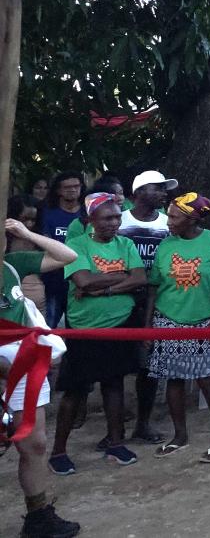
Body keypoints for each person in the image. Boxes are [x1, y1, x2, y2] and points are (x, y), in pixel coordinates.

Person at [49, 193, 146, 474]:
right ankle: (58, 451)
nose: (114, 222)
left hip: (121, 323)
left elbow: (140, 278)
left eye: (117, 217)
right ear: (91, 219)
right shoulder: (75, 245)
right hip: (86, 328)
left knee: (114, 383)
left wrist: (102, 287)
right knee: (76, 389)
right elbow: (82, 280)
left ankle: (115, 444)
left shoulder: (125, 243)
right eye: (108, 217)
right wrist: (121, 276)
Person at [2, 211, 81, 536]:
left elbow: (67, 255)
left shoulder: (10, 265)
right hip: (8, 365)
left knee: (34, 443)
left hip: (24, 361)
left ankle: (38, 516)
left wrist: (26, 233)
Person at [143, 193, 210, 462]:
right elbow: (153, 287)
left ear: (192, 218)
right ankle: (180, 435)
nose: (168, 221)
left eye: (174, 216)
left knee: (206, 378)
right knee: (173, 378)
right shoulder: (165, 245)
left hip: (202, 320)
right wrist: (149, 324)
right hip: (168, 317)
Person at [120, 169, 178, 445]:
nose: (163, 193)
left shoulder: (168, 224)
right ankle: (115, 424)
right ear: (139, 192)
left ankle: (143, 422)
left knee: (150, 365)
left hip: (155, 300)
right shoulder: (118, 221)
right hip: (119, 299)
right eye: (157, 188)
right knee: (116, 363)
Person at [37, 171, 87, 328]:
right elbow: (45, 244)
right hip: (54, 281)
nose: (72, 190)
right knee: (48, 329)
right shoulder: (47, 213)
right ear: (58, 190)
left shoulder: (87, 214)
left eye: (76, 186)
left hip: (82, 281)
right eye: (67, 187)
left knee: (78, 331)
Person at [7, 197, 47, 314]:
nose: (29, 224)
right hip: (9, 298)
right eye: (24, 219)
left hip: (37, 300)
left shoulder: (40, 239)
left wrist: (29, 235)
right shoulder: (4, 240)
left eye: (33, 220)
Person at [64, 174, 127, 241]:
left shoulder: (127, 243)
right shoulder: (80, 224)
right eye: (112, 194)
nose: (120, 198)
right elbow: (70, 249)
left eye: (121, 193)